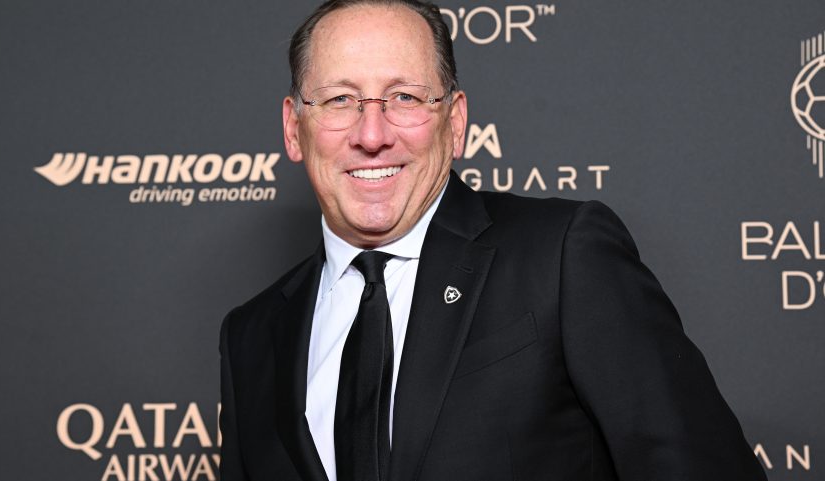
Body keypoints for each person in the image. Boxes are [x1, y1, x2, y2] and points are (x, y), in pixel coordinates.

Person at [219, 1, 768, 480]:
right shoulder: (252, 335)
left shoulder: (561, 257)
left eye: (405, 97)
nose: (372, 134)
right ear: (294, 129)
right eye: (340, 100)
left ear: (455, 122)